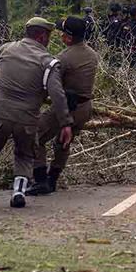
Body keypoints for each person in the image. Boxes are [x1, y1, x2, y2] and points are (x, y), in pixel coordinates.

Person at [0, 18, 73, 209]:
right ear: (42, 36)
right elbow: (57, 95)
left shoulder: (5, 49)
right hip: (26, 118)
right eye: (48, 36)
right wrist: (65, 122)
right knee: (25, 154)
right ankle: (18, 192)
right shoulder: (49, 62)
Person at [27, 17, 99, 196]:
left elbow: (52, 85)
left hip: (67, 107)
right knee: (63, 142)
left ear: (68, 37)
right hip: (85, 108)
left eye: (62, 32)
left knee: (36, 135)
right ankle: (53, 179)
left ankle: (41, 179)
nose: (59, 35)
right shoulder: (92, 54)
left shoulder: (63, 58)